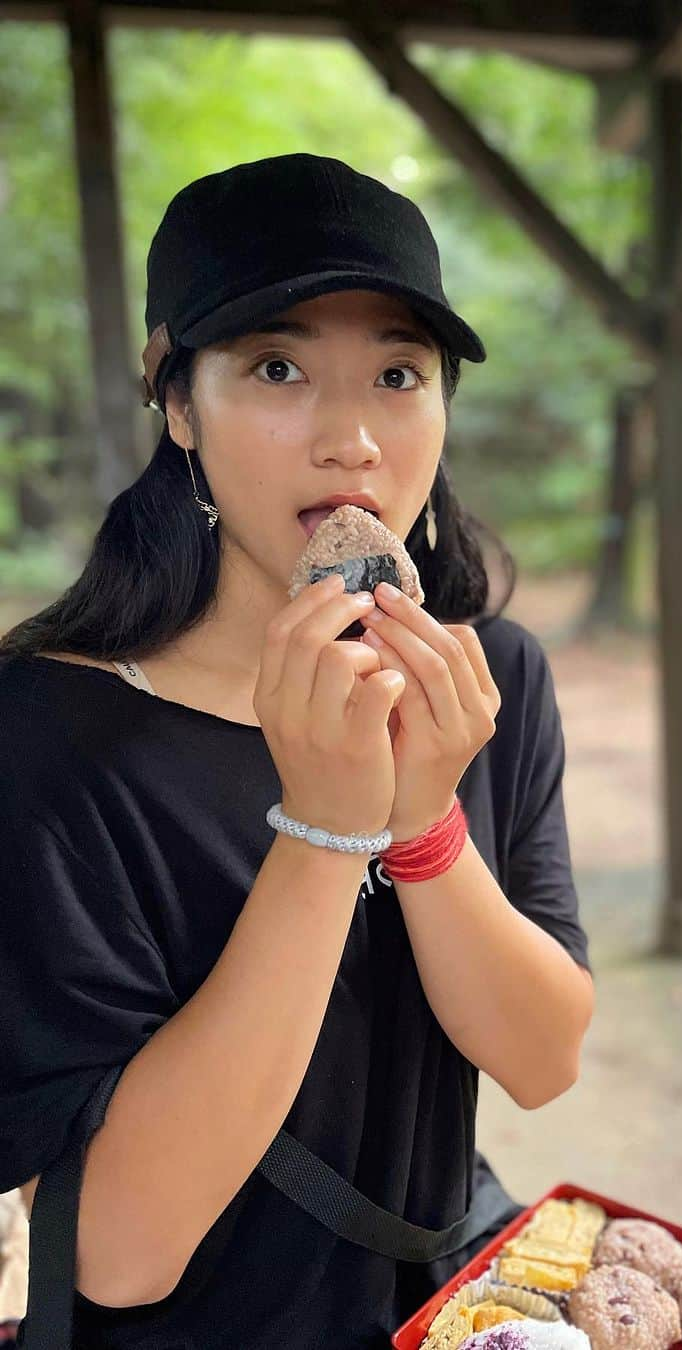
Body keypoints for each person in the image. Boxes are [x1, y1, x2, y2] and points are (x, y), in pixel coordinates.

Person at [0, 153, 594, 1348]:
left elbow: (541, 1061)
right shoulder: (53, 737)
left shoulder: (488, 685)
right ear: (178, 402)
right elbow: (116, 1254)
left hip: (440, 1313)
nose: (353, 439)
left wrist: (424, 826)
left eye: (398, 373)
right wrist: (324, 831)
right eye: (278, 368)